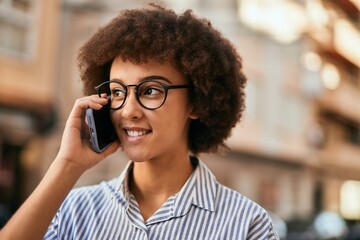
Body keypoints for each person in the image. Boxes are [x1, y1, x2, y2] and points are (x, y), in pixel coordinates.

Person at [0, 4, 279, 240]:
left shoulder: (247, 226)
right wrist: (67, 167)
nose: (128, 110)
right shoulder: (73, 211)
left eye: (151, 90)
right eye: (118, 92)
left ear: (196, 102)